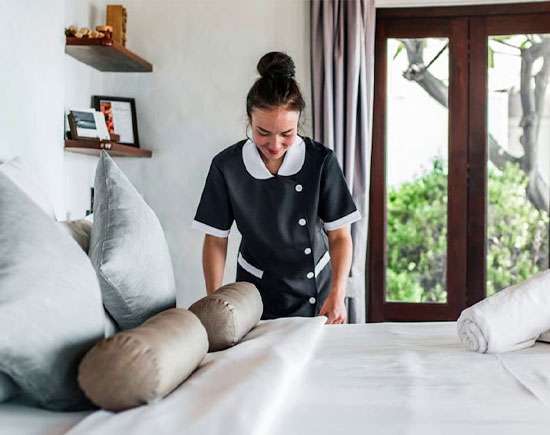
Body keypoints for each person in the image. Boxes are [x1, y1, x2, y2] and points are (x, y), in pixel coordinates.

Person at [192, 51, 361, 324]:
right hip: (253, 295)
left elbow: (340, 236)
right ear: (249, 120)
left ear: (299, 123)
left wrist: (338, 294)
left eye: (287, 134)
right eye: (263, 132)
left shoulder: (321, 162)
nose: (275, 145)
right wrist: (215, 303)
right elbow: (215, 239)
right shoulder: (227, 166)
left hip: (318, 294)